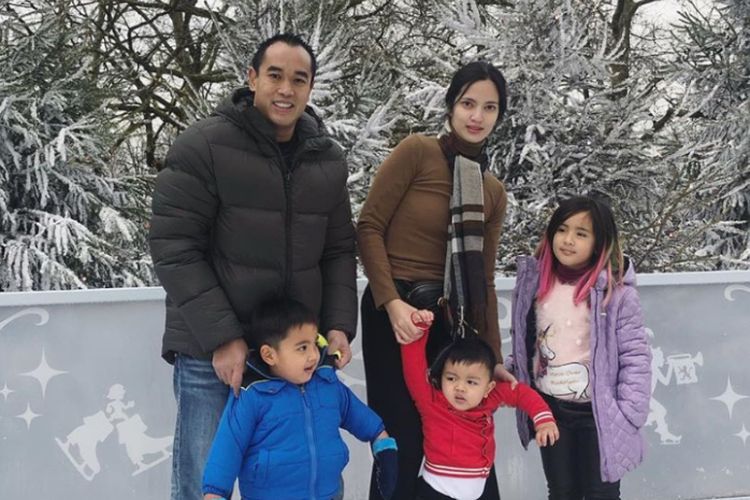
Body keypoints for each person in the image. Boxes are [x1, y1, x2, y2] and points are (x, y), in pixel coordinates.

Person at [148, 33, 357, 500]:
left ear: (310, 87)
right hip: (212, 354)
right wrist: (223, 337)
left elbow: (339, 249)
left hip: (292, 354)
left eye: (298, 79)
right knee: (205, 484)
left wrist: (339, 325)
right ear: (252, 78)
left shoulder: (326, 160)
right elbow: (174, 246)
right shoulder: (204, 145)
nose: (286, 89)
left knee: (304, 482)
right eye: (275, 75)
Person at [357, 61, 516, 499]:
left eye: (489, 107)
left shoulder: (491, 190)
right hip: (396, 312)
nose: (477, 116)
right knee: (400, 438)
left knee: (458, 437)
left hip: (450, 322)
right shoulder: (416, 152)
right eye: (468, 103)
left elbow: (483, 279)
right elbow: (369, 227)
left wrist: (492, 358)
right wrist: (392, 303)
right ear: (451, 106)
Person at [508, 196, 651, 499]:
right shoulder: (536, 285)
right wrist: (509, 371)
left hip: (598, 414)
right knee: (562, 491)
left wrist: (629, 412)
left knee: (601, 493)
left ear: (599, 243)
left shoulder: (615, 293)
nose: (568, 240)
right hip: (550, 410)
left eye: (581, 233)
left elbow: (635, 356)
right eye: (562, 229)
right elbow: (528, 343)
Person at [201, 298, 397, 500]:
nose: (313, 355)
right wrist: (215, 492)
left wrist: (382, 443)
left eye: (314, 343)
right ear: (269, 355)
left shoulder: (327, 384)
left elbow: (357, 414)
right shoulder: (253, 394)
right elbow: (228, 446)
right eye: (302, 348)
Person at [402, 311, 558, 500]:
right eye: (451, 378)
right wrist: (418, 329)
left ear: (488, 387)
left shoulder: (490, 397)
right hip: (435, 492)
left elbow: (520, 393)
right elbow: (413, 369)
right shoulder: (432, 402)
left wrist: (543, 420)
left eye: (471, 382)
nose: (460, 388)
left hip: (477, 492)